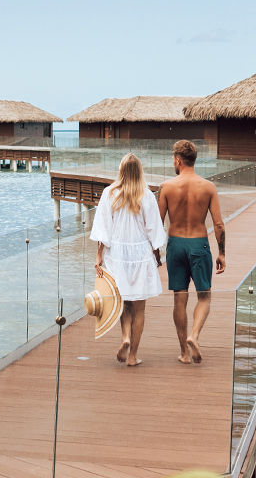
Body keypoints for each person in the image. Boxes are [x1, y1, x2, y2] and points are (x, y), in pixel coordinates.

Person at [90, 153, 167, 366]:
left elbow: (103, 230)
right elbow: (154, 232)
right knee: (139, 308)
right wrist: (157, 257)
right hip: (141, 253)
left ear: (121, 171)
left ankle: (125, 336)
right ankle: (133, 356)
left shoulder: (109, 193)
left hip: (117, 254)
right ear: (140, 171)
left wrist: (99, 256)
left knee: (123, 301)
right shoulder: (147, 195)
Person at [158, 140, 225, 364]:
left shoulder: (166, 187)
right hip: (199, 244)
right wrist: (222, 253)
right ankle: (194, 336)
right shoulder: (208, 187)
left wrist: (155, 254)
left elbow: (157, 224)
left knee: (180, 299)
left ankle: (184, 354)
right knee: (204, 296)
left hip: (175, 245)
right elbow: (218, 225)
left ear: (178, 159)